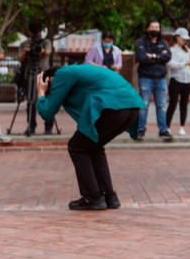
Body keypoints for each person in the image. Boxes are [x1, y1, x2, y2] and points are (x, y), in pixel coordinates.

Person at [36, 65, 145, 210]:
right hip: (131, 106)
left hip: (115, 106)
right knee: (93, 145)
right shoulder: (77, 71)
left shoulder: (62, 74)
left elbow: (47, 112)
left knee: (77, 146)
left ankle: (93, 197)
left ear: (49, 80)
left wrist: (41, 93)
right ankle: (108, 196)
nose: (52, 93)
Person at [135, 20, 172, 141]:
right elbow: (141, 58)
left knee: (161, 106)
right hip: (146, 78)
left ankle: (163, 130)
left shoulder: (163, 42)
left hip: (161, 79)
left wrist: (153, 56)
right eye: (152, 27)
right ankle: (140, 129)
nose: (155, 29)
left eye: (157, 27)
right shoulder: (141, 42)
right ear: (147, 29)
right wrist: (159, 57)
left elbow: (168, 56)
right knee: (143, 106)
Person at [166, 27, 190, 136]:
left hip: (188, 80)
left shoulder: (188, 50)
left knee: (184, 105)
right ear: (177, 37)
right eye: (183, 38)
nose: (184, 41)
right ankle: (167, 127)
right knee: (172, 104)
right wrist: (185, 63)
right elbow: (171, 64)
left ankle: (182, 126)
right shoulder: (171, 50)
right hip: (176, 80)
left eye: (186, 39)